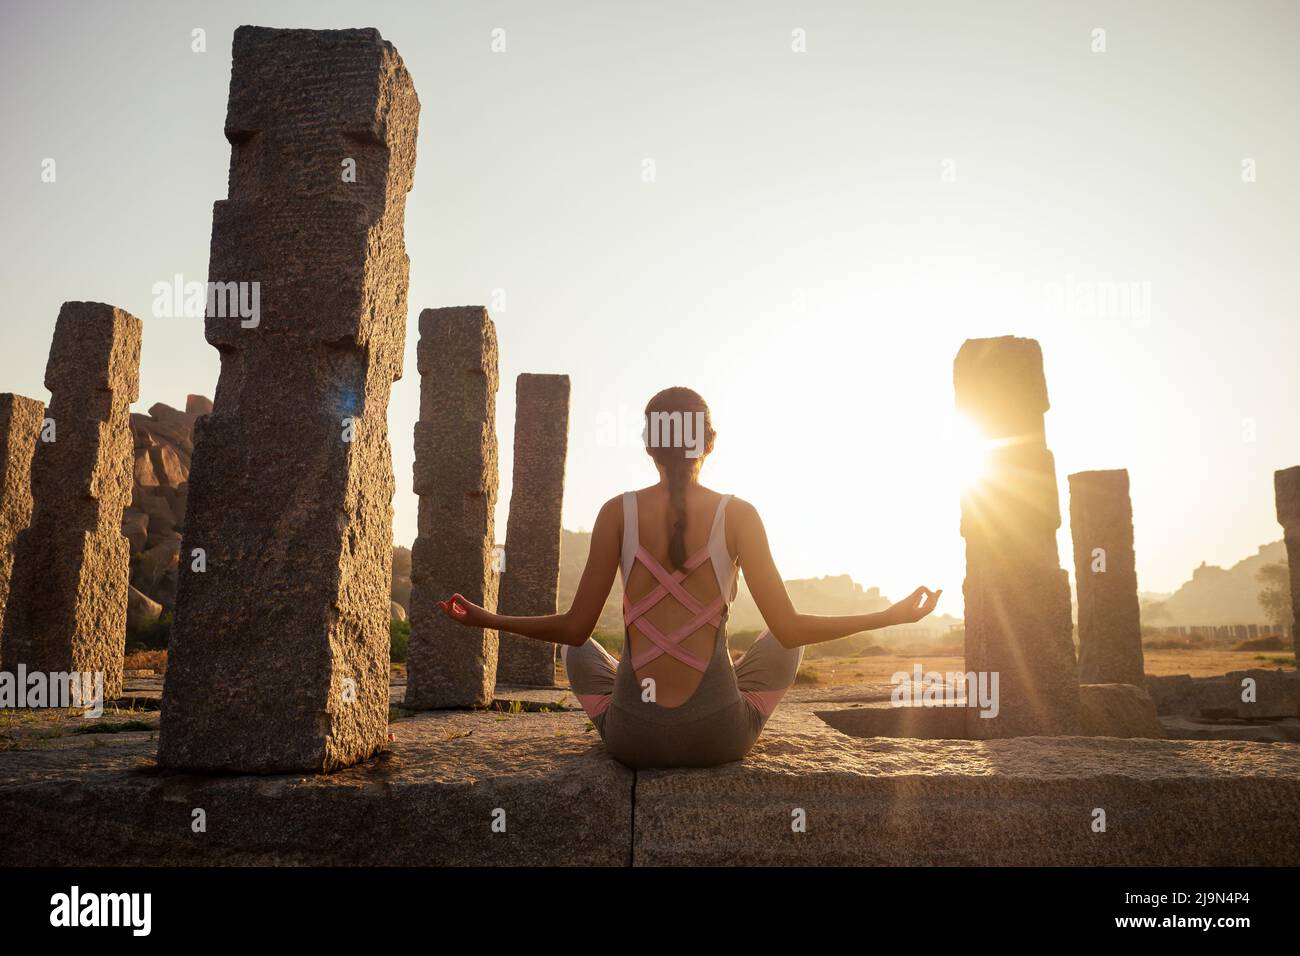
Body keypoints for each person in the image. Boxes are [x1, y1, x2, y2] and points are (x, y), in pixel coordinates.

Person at [440, 386, 941, 769]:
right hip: (717, 737)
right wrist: (891, 614)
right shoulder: (739, 514)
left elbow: (573, 629)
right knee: (787, 641)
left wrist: (489, 619)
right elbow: (789, 631)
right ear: (711, 442)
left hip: (633, 740)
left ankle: (629, 694)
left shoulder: (618, 512)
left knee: (579, 651)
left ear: (647, 446)